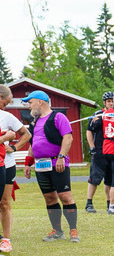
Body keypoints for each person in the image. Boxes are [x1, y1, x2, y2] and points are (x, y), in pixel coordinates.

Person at [21, 90, 80, 243]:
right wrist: (28, 163)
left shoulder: (58, 117)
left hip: (57, 163)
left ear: (40, 102)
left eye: (30, 102)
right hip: (41, 166)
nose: (29, 106)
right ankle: (57, 231)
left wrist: (61, 157)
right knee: (49, 198)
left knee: (65, 196)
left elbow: (68, 137)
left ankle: (73, 230)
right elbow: (33, 145)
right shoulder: (34, 123)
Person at [0, 84, 31, 255]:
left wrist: (16, 147)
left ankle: (6, 239)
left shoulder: (7, 116)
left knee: (4, 203)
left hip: (7, 164)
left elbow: (26, 134)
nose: (6, 106)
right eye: (5, 102)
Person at [85, 91, 114, 213]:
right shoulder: (98, 114)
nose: (111, 103)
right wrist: (92, 146)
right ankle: (89, 203)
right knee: (95, 177)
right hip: (99, 150)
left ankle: (110, 203)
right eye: (109, 101)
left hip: (113, 151)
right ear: (105, 103)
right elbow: (89, 131)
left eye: (113, 101)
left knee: (110, 179)